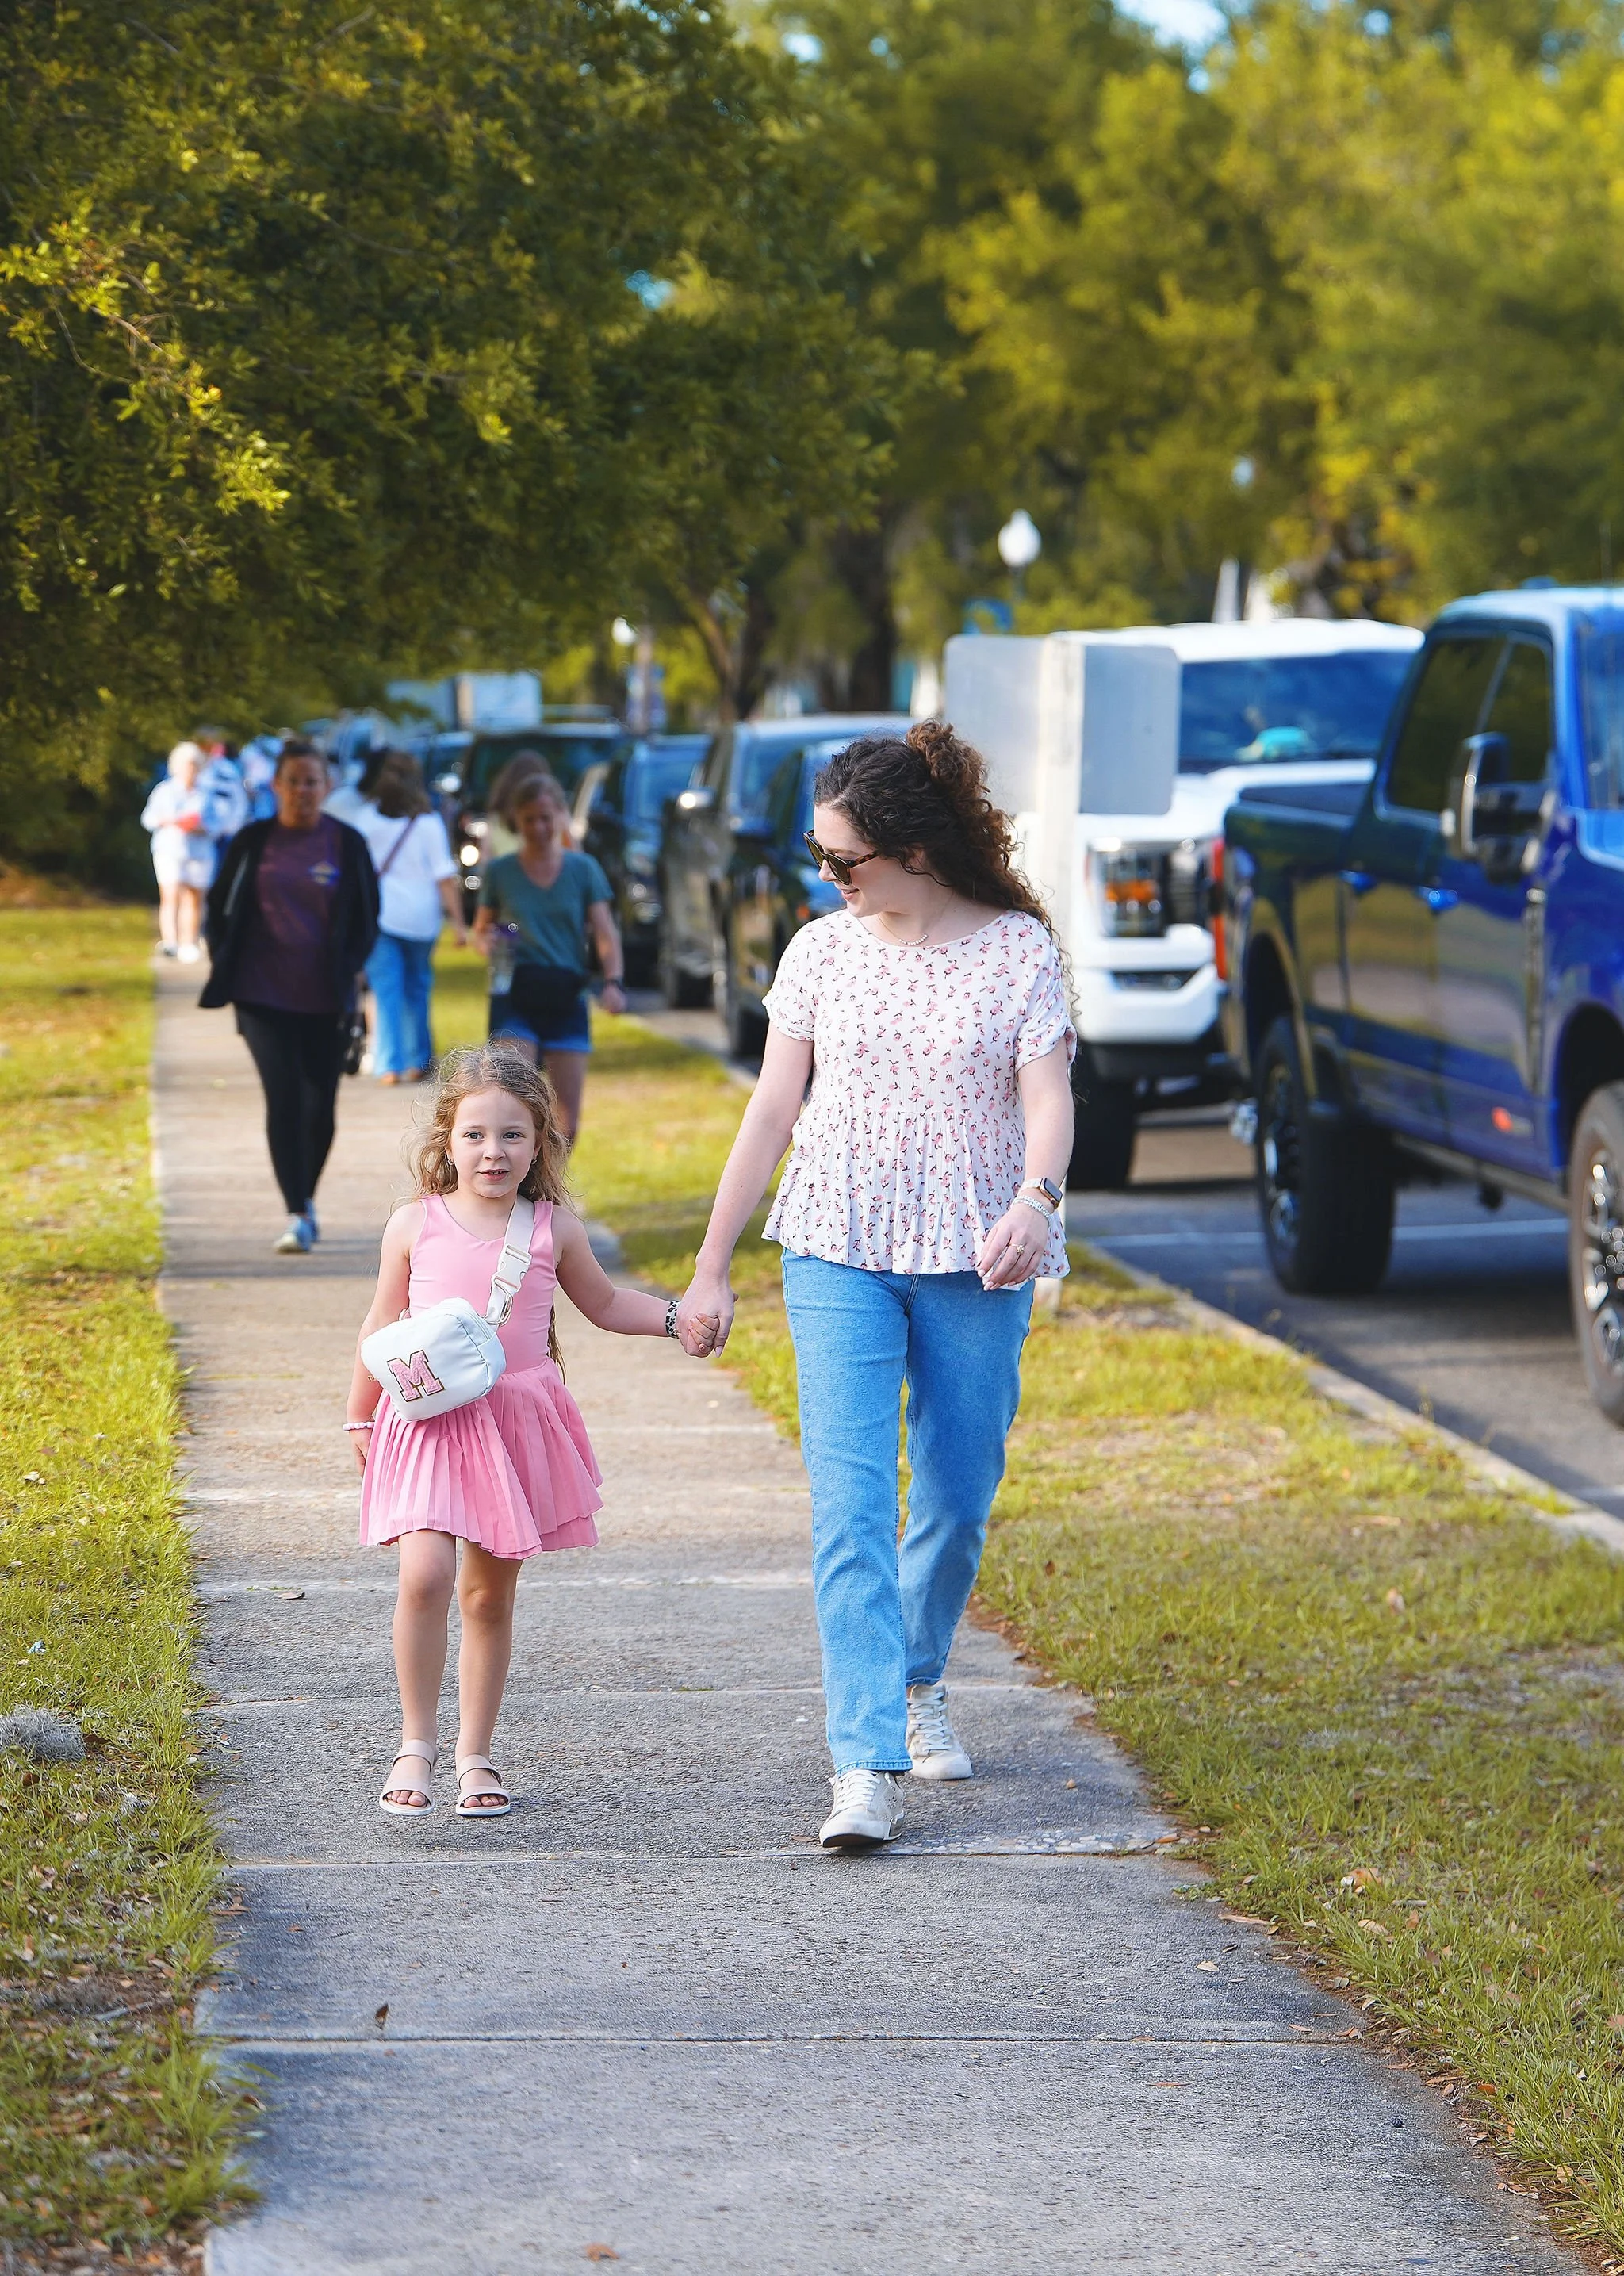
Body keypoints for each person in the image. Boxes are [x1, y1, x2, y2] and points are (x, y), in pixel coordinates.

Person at [677, 721, 1076, 1853]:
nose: (829, 879)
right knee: (849, 1508)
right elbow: (769, 1114)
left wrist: (1035, 1201)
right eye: (822, 859)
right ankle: (864, 1763)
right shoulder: (819, 952)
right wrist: (712, 1264)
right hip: (837, 1244)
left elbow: (1048, 1099)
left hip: (976, 1253)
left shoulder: (1016, 950)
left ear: (912, 849)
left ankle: (918, 1676)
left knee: (955, 1494)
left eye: (842, 861)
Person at [347, 1047, 718, 1818]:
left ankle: (473, 1753)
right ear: (446, 1139)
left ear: (540, 1142)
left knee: (486, 1596)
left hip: (511, 1426)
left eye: (512, 1135)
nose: (493, 1151)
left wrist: (679, 1319)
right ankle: (413, 1740)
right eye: (476, 1134)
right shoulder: (414, 1223)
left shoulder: (552, 1229)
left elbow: (608, 1303)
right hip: (428, 1423)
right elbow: (380, 1325)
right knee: (423, 1576)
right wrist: (359, 1411)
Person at [201, 743, 379, 1255]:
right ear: (275, 786)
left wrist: (351, 968)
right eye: (293, 781)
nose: (302, 791)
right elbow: (221, 904)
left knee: (319, 1102)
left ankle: (308, 1197)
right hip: (260, 992)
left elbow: (368, 914)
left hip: (326, 993)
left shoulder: (347, 844)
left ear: (327, 788)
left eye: (312, 782)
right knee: (282, 1096)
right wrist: (225, 957)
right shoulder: (253, 841)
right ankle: (296, 1210)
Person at [471, 772, 626, 1144]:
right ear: (517, 821)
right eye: (530, 819)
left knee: (565, 1125)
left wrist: (613, 982)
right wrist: (489, 942)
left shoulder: (582, 869)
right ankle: (517, 1194)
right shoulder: (500, 872)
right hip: (516, 995)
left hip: (565, 994)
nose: (539, 828)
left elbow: (604, 930)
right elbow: (480, 931)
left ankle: (547, 1195)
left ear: (560, 816)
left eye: (546, 817)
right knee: (515, 1107)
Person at [352, 750, 465, 1086]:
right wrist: (458, 922)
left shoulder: (365, 820)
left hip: (380, 917)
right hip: (422, 919)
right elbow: (444, 877)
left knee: (386, 990)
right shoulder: (428, 824)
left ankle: (389, 1064)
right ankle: (418, 1060)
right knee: (417, 988)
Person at [140, 740, 243, 963]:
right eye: (186, 766)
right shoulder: (165, 791)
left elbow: (219, 824)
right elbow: (148, 818)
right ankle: (171, 941)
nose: (190, 771)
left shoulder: (206, 795)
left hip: (199, 850)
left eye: (194, 766)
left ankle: (189, 941)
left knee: (194, 899)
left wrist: (201, 827)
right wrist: (166, 821)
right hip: (170, 849)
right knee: (170, 894)